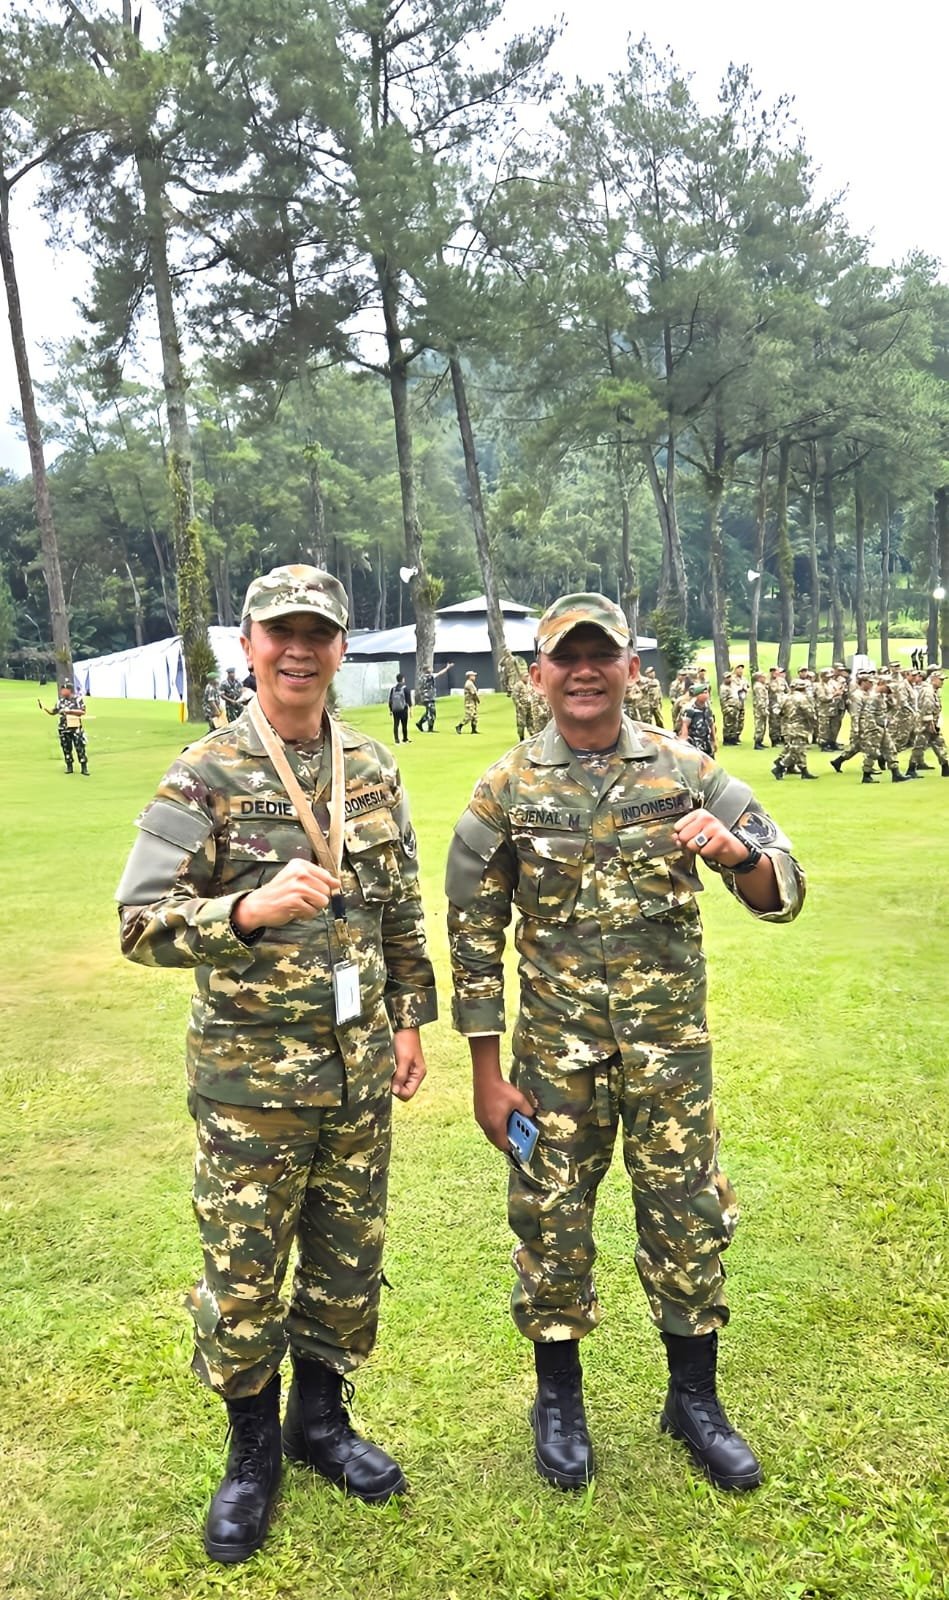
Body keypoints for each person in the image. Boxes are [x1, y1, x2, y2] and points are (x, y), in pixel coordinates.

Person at [445, 593, 805, 1497]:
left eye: (600, 655)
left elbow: (784, 888)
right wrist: (485, 1073)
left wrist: (736, 856)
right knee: (551, 1220)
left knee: (686, 1213)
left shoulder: (688, 772)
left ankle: (693, 1399)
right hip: (552, 1063)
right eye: (565, 657)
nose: (583, 672)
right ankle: (557, 1400)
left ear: (630, 669)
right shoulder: (504, 788)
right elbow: (472, 935)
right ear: (538, 675)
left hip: (667, 1056)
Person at [115, 564, 437, 1565]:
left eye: (319, 634)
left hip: (356, 1073)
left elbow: (400, 909)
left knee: (346, 1262)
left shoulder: (370, 765)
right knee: (245, 1270)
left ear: (340, 647)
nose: (300, 650)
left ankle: (320, 1424)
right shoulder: (204, 772)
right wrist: (243, 910)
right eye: (280, 632)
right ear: (249, 644)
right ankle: (252, 1455)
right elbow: (138, 923)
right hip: (250, 1088)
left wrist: (410, 1021)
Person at [38, 678, 89, 775]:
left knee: (80, 747)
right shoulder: (60, 701)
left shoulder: (77, 700)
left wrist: (70, 711)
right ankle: (69, 766)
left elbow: (83, 711)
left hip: (75, 728)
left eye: (64, 690)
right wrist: (44, 708)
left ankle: (84, 767)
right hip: (63, 728)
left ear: (69, 690)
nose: (62, 692)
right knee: (66, 748)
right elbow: (54, 712)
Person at [772, 677, 818, 779]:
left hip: (788, 726)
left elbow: (777, 711)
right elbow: (809, 713)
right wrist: (814, 723)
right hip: (799, 727)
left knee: (798, 750)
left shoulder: (785, 697)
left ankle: (804, 771)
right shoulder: (802, 698)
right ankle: (780, 766)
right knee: (797, 750)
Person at [678, 683, 717, 755]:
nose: (707, 695)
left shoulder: (708, 708)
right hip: (694, 745)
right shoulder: (689, 709)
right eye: (704, 693)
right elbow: (684, 726)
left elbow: (711, 724)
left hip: (707, 744)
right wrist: (683, 743)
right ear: (697, 695)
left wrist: (714, 741)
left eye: (707, 693)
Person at [415, 661, 454, 732]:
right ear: (427, 670)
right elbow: (440, 673)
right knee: (432, 713)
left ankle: (420, 723)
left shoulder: (421, 678)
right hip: (429, 697)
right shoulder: (430, 676)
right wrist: (447, 668)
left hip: (424, 697)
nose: (431, 669)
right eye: (430, 668)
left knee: (428, 712)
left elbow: (420, 688)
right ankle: (430, 728)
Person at [388, 673, 412, 744]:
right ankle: (405, 739)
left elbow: (390, 700)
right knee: (404, 724)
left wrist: (390, 710)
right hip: (403, 709)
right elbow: (409, 700)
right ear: (403, 679)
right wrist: (411, 710)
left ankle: (396, 740)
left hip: (395, 709)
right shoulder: (405, 689)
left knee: (396, 724)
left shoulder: (393, 689)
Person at [455, 670, 480, 734]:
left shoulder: (471, 683)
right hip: (469, 702)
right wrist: (478, 700)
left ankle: (474, 729)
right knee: (469, 716)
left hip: (472, 702)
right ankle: (459, 726)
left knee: (474, 716)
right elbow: (473, 694)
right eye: (473, 676)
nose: (474, 677)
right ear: (469, 676)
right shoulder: (469, 684)